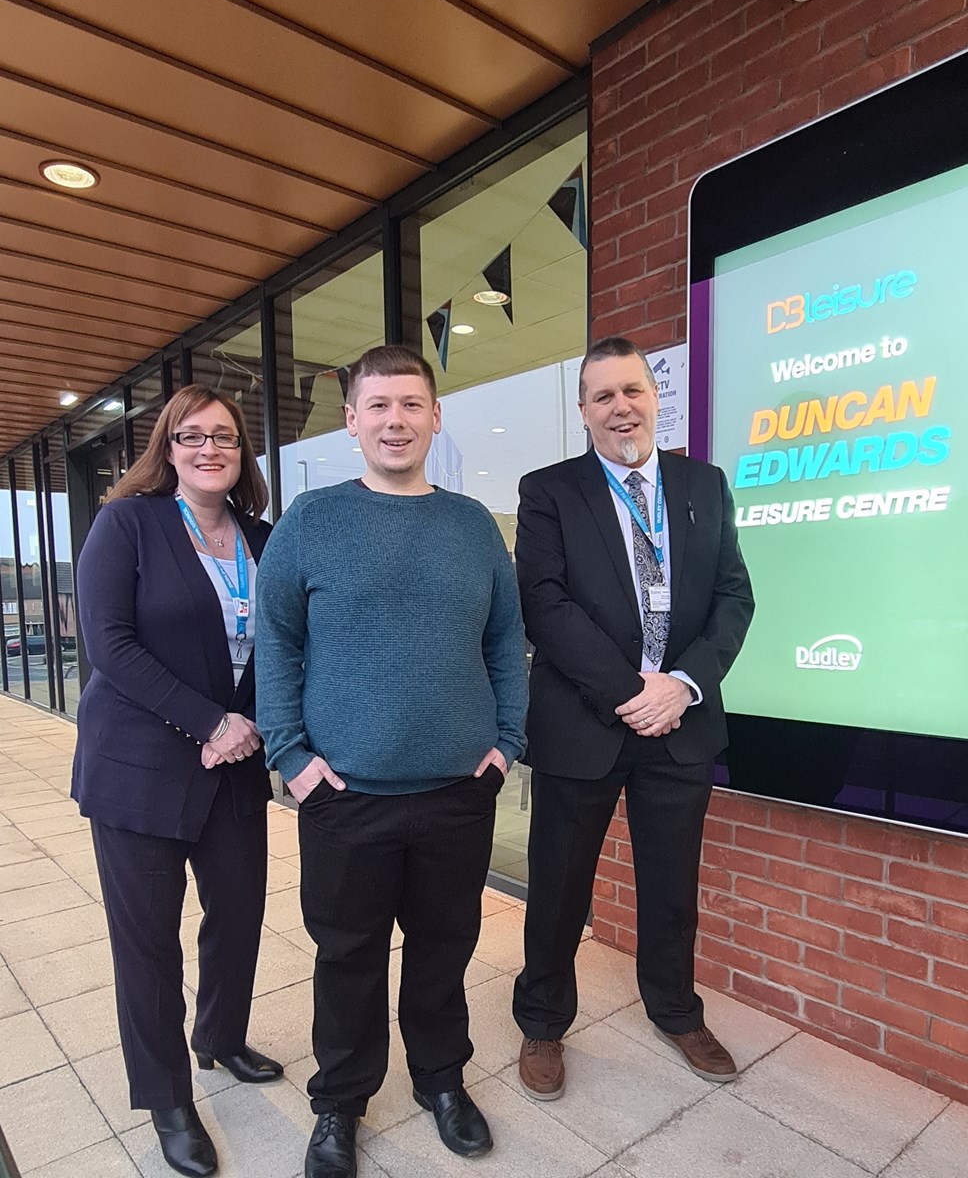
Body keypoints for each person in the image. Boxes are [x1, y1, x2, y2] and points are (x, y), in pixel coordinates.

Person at [256, 345, 528, 1178]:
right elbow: (275, 641)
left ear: (435, 416)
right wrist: (290, 755)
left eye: (411, 404)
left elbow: (507, 643)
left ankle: (441, 1080)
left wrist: (507, 742)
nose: (395, 420)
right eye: (378, 406)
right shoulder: (311, 521)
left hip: (457, 789)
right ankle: (340, 1101)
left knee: (445, 946)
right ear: (351, 421)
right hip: (344, 795)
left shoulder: (473, 525)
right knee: (349, 956)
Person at [512, 337, 754, 1101]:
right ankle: (543, 1023)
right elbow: (544, 604)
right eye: (603, 396)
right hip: (584, 724)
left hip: (680, 726)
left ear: (656, 398)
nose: (621, 408)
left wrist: (680, 685)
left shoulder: (704, 484)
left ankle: (677, 1012)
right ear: (583, 412)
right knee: (558, 887)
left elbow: (733, 598)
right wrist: (630, 691)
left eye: (632, 391)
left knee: (672, 884)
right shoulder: (549, 490)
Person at [71, 385, 283, 1178]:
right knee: (148, 942)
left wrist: (254, 721)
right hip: (141, 770)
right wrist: (210, 722)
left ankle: (220, 1039)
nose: (208, 449)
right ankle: (165, 1095)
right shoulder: (126, 524)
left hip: (235, 767)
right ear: (166, 448)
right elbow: (110, 644)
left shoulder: (263, 539)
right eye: (191, 436)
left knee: (238, 916)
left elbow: (283, 644)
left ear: (241, 452)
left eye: (224, 437)